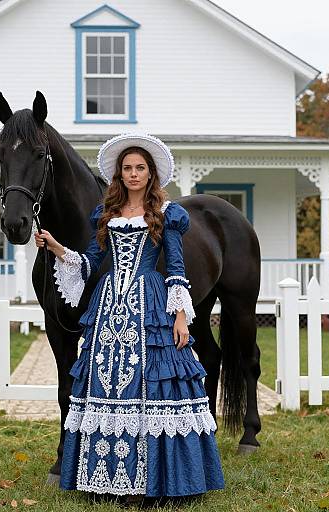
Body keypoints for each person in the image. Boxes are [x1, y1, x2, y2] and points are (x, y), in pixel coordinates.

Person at [34, 133, 225, 503]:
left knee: (152, 385)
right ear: (119, 175)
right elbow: (90, 261)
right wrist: (57, 248)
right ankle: (107, 478)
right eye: (127, 169)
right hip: (110, 307)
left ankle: (155, 479)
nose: (134, 174)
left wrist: (181, 315)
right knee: (107, 385)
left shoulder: (166, 214)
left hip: (149, 303)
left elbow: (175, 266)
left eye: (140, 168)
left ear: (150, 174)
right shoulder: (106, 214)